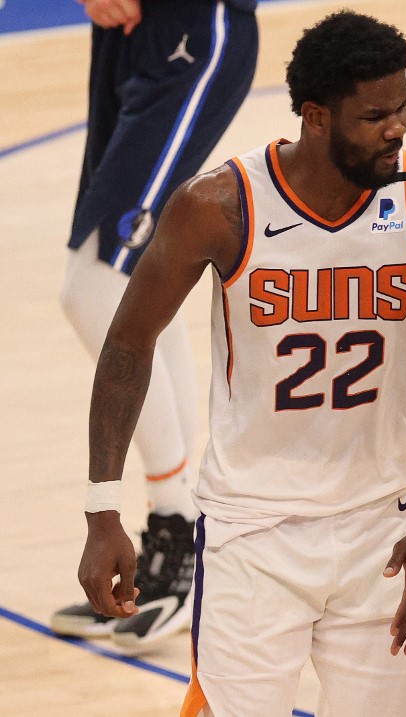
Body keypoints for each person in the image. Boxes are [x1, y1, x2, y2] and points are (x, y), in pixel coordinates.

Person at [74, 10, 406, 716]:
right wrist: (102, 508)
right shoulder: (219, 206)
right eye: (375, 115)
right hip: (251, 532)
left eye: (403, 107)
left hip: (381, 529)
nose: (397, 128)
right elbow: (126, 345)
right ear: (316, 118)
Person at [52, 0, 259, 651]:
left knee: (93, 287)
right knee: (133, 279)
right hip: (124, 33)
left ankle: (179, 519)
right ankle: (177, 520)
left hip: (195, 27)